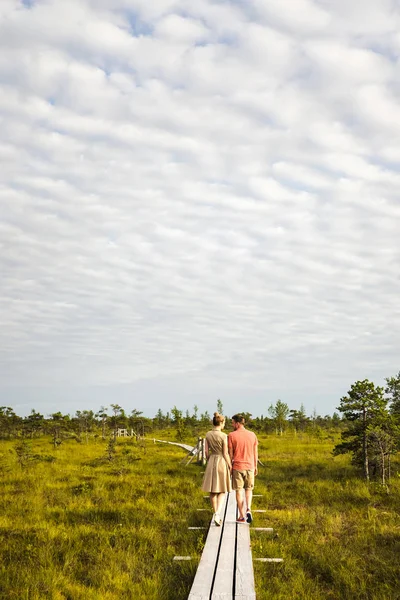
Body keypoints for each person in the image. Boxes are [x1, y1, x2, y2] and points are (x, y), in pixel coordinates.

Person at [201, 412, 232, 526]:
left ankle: (215, 513)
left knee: (212, 490)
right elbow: (225, 453)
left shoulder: (208, 434)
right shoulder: (224, 436)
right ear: (222, 423)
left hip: (212, 461)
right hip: (221, 462)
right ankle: (218, 513)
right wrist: (230, 465)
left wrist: (209, 459)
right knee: (222, 490)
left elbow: (205, 451)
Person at [228, 414, 258, 524]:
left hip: (237, 467)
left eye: (232, 422)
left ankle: (241, 515)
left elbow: (230, 454)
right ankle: (248, 509)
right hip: (250, 466)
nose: (232, 424)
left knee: (239, 491)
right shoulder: (252, 435)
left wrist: (230, 467)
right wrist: (255, 466)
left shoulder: (231, 435)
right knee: (249, 490)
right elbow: (255, 453)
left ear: (237, 423)